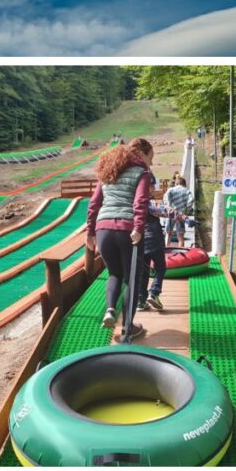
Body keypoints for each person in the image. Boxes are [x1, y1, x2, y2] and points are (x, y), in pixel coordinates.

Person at [86, 138, 153, 341]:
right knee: (132, 279)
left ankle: (110, 310)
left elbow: (94, 203)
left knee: (114, 273)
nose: (151, 163)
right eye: (151, 158)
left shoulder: (108, 173)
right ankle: (127, 328)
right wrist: (139, 228)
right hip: (127, 230)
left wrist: (90, 231)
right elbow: (140, 201)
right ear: (142, 155)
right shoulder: (142, 173)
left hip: (103, 228)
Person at [137, 180, 168, 312]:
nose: (154, 188)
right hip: (154, 239)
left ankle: (140, 301)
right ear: (148, 187)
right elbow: (163, 211)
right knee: (160, 267)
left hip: (141, 241)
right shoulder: (149, 201)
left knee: (143, 272)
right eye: (152, 186)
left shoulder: (136, 201)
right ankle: (154, 293)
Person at [164, 177, 193, 247]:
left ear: (176, 183)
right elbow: (191, 200)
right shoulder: (187, 191)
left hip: (170, 214)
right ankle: (181, 253)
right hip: (181, 215)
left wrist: (169, 207)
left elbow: (165, 199)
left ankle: (166, 252)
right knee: (180, 235)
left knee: (168, 233)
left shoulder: (171, 190)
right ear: (184, 184)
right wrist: (187, 210)